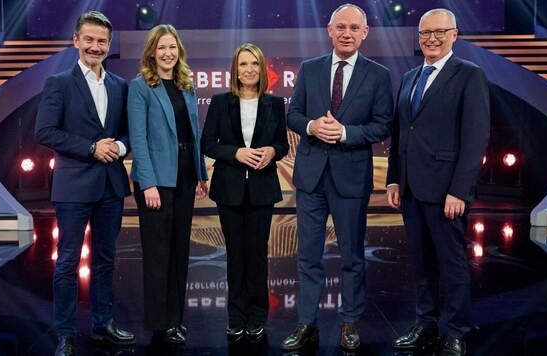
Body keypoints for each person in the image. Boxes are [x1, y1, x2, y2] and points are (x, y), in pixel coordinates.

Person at [281, 3, 393, 351]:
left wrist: (344, 132)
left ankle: (349, 322)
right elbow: (293, 114)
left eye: (353, 28)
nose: (346, 33)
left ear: (364, 33)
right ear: (329, 30)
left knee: (351, 256)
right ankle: (306, 323)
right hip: (311, 177)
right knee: (308, 256)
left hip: (350, 178)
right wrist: (312, 126)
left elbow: (382, 125)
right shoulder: (310, 68)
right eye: (340, 27)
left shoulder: (377, 75)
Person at [386, 8, 490, 356]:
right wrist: (393, 181)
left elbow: (476, 137)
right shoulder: (411, 76)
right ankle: (426, 325)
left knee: (452, 264)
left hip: (447, 190)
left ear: (454, 35)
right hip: (412, 188)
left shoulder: (468, 75)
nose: (431, 38)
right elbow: (401, 134)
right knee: (421, 263)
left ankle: (457, 330)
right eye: (424, 33)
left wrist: (459, 190)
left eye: (439, 32)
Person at [34, 11, 135, 356]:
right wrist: (92, 148)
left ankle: (103, 323)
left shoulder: (120, 85)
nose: (95, 46)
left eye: (102, 41)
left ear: (109, 45)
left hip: (111, 185)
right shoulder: (59, 82)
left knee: (106, 260)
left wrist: (118, 147)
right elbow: (44, 131)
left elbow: (127, 133)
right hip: (74, 185)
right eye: (89, 39)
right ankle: (65, 333)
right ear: (75, 41)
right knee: (67, 262)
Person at [201, 43, 289, 344]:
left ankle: (257, 317)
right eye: (243, 64)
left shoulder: (274, 104)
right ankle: (235, 316)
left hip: (262, 190)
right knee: (236, 256)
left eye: (254, 64)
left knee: (257, 256)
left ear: (262, 70)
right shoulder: (221, 101)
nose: (249, 69)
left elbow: (283, 144)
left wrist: (272, 151)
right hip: (229, 190)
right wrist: (235, 153)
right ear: (234, 70)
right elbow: (207, 144)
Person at [127, 24, 208, 345]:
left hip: (185, 177)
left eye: (172, 47)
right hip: (155, 181)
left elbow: (193, 133)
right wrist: (146, 183)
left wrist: (201, 173)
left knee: (179, 250)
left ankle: (176, 319)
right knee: (158, 253)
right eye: (161, 47)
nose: (168, 53)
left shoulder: (187, 85)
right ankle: (159, 322)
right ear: (151, 52)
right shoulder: (141, 86)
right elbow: (139, 138)